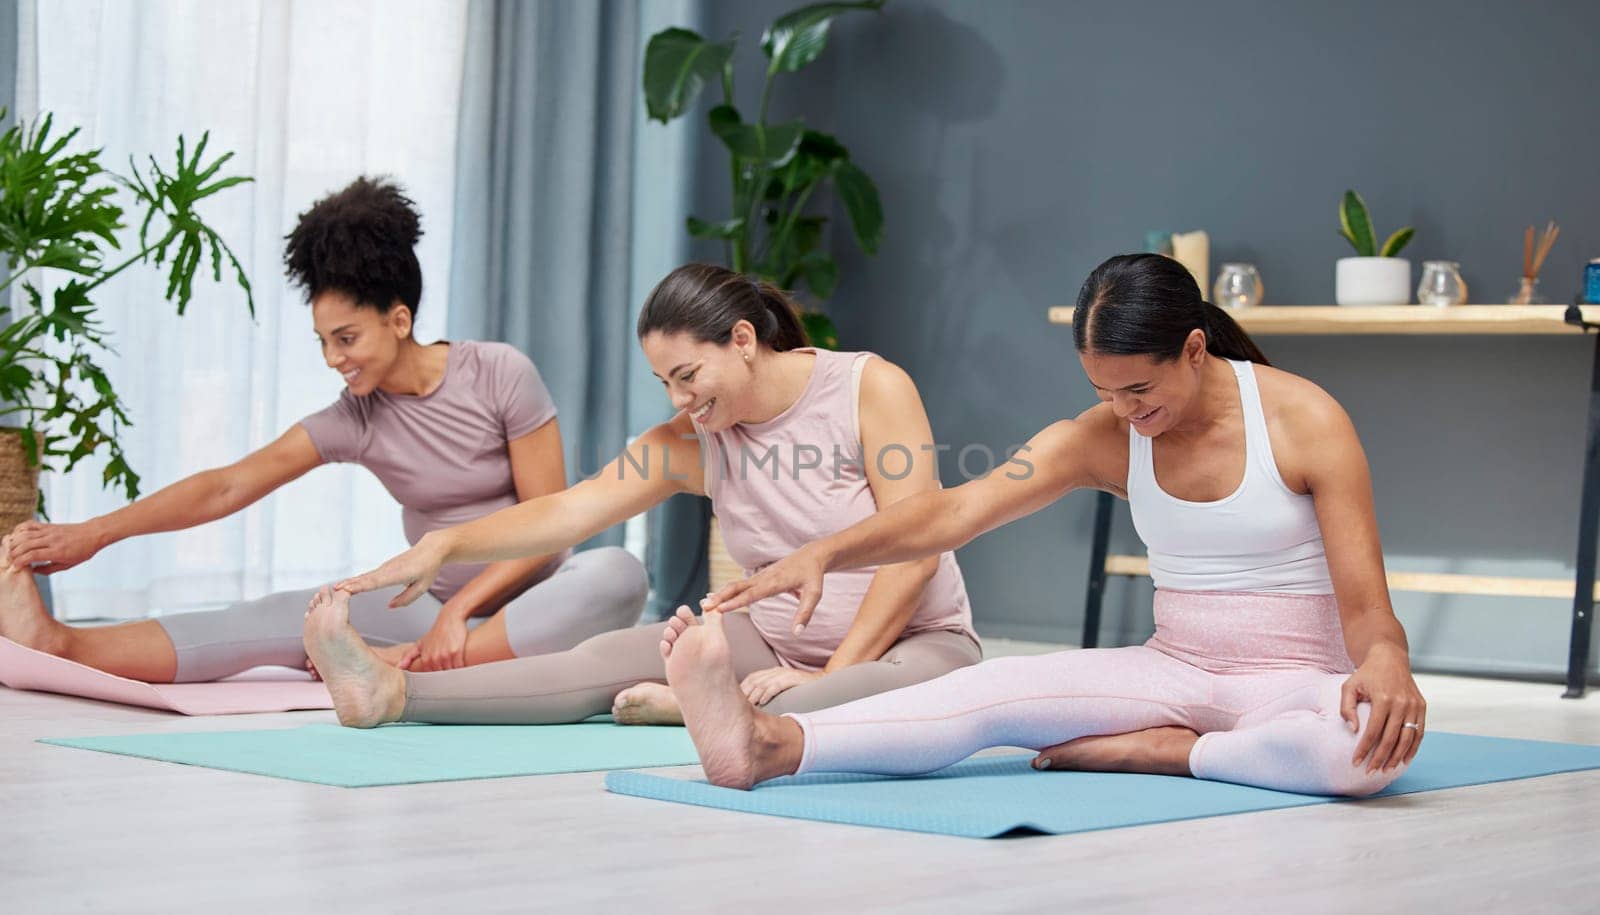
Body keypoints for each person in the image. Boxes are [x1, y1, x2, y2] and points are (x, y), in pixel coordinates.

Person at [664, 252, 1427, 798]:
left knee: (1361, 752)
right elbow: (960, 508)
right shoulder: (1104, 432)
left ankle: (1177, 755)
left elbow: (1366, 611)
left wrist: (1387, 659)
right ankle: (769, 746)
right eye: (1104, 390)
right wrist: (824, 554)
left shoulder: (1305, 421)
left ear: (1194, 350)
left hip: (1293, 683)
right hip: (1172, 668)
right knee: (990, 692)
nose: (1125, 413)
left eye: (1139, 389)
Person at [0, 176, 646, 683]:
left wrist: (456, 615)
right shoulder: (355, 418)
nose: (334, 358)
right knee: (288, 610)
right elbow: (227, 486)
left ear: (398, 319)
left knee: (615, 571)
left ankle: (431, 659)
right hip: (418, 610)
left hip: (531, 604)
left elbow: (550, 522)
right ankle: (62, 644)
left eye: (347, 337)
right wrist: (95, 532)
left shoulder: (500, 372)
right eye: (323, 341)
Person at [299, 262, 981, 728]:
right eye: (665, 383)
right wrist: (444, 543)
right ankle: (393, 694)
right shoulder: (691, 439)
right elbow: (571, 509)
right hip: (772, 645)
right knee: (597, 661)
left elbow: (916, 551)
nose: (682, 401)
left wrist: (829, 674)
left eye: (688, 375)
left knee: (859, 704)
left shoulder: (868, 388)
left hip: (914, 641)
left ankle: (707, 703)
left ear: (743, 340)